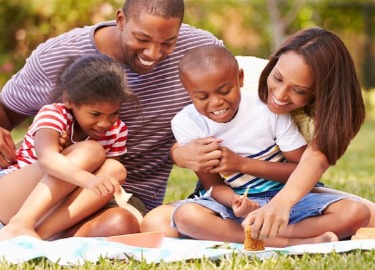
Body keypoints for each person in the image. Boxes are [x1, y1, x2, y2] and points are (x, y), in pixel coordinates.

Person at [144, 27, 375, 240]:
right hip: (232, 196)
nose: (278, 96)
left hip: (294, 190)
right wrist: (180, 153)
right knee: (160, 222)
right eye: (278, 78)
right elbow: (205, 171)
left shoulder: (331, 112)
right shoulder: (236, 75)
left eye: (299, 91)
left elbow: (310, 164)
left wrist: (280, 203)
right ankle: (285, 238)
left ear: (321, 92)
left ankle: (274, 236)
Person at [0, 0, 223, 238]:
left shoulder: (200, 51)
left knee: (120, 224)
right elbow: (6, 112)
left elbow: (234, 98)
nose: (153, 53)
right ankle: (20, 224)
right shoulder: (58, 55)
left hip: (107, 197)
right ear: (120, 20)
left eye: (168, 43)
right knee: (90, 152)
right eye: (142, 39)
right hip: (30, 191)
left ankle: (34, 236)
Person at [0, 54, 134, 241]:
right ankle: (19, 223)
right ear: (69, 100)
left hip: (52, 208)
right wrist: (87, 179)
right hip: (10, 195)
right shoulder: (54, 114)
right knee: (92, 151)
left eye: (114, 113)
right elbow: (47, 159)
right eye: (95, 114)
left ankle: (40, 235)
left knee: (115, 170)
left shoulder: (117, 130)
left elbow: (104, 178)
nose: (105, 123)